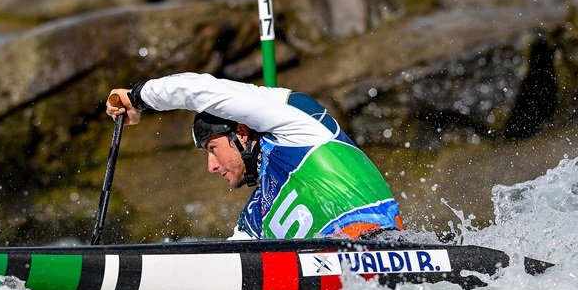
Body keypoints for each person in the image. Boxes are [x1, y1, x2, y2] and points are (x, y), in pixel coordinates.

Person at [106, 72, 403, 240]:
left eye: (212, 149)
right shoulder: (255, 216)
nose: (211, 166)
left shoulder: (300, 127)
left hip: (387, 252)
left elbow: (200, 90)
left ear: (243, 133)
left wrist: (138, 98)